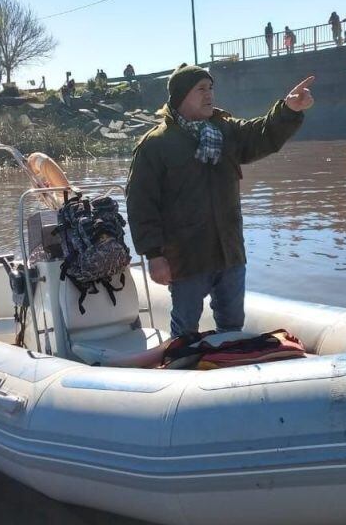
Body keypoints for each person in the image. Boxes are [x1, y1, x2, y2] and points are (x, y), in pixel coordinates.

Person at [126, 63, 314, 337]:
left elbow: (260, 134)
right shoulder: (155, 145)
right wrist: (154, 255)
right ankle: (182, 370)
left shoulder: (226, 131)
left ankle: (227, 370)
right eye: (201, 89)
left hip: (229, 252)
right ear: (181, 96)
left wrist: (288, 111)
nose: (209, 94)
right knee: (185, 330)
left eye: (211, 88)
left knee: (232, 326)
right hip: (187, 258)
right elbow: (141, 204)